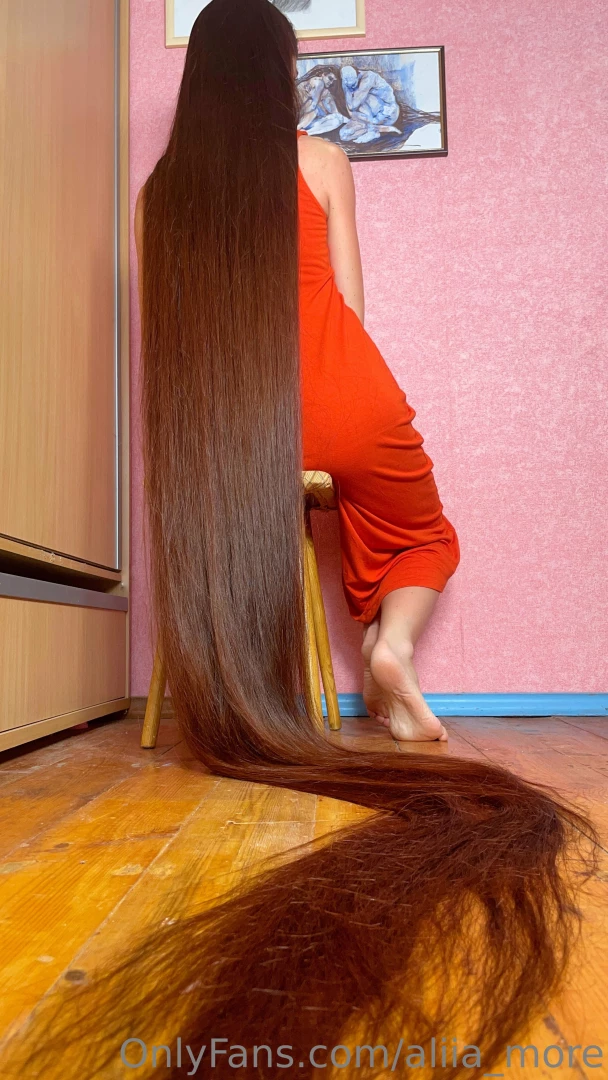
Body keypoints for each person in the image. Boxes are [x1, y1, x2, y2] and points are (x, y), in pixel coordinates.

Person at [136, 41, 459, 747]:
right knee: (423, 536)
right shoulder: (320, 160)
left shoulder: (159, 194)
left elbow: (172, 344)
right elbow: (350, 307)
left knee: (354, 526)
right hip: (348, 397)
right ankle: (391, 649)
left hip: (242, 427)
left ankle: (338, 670)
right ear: (277, 76)